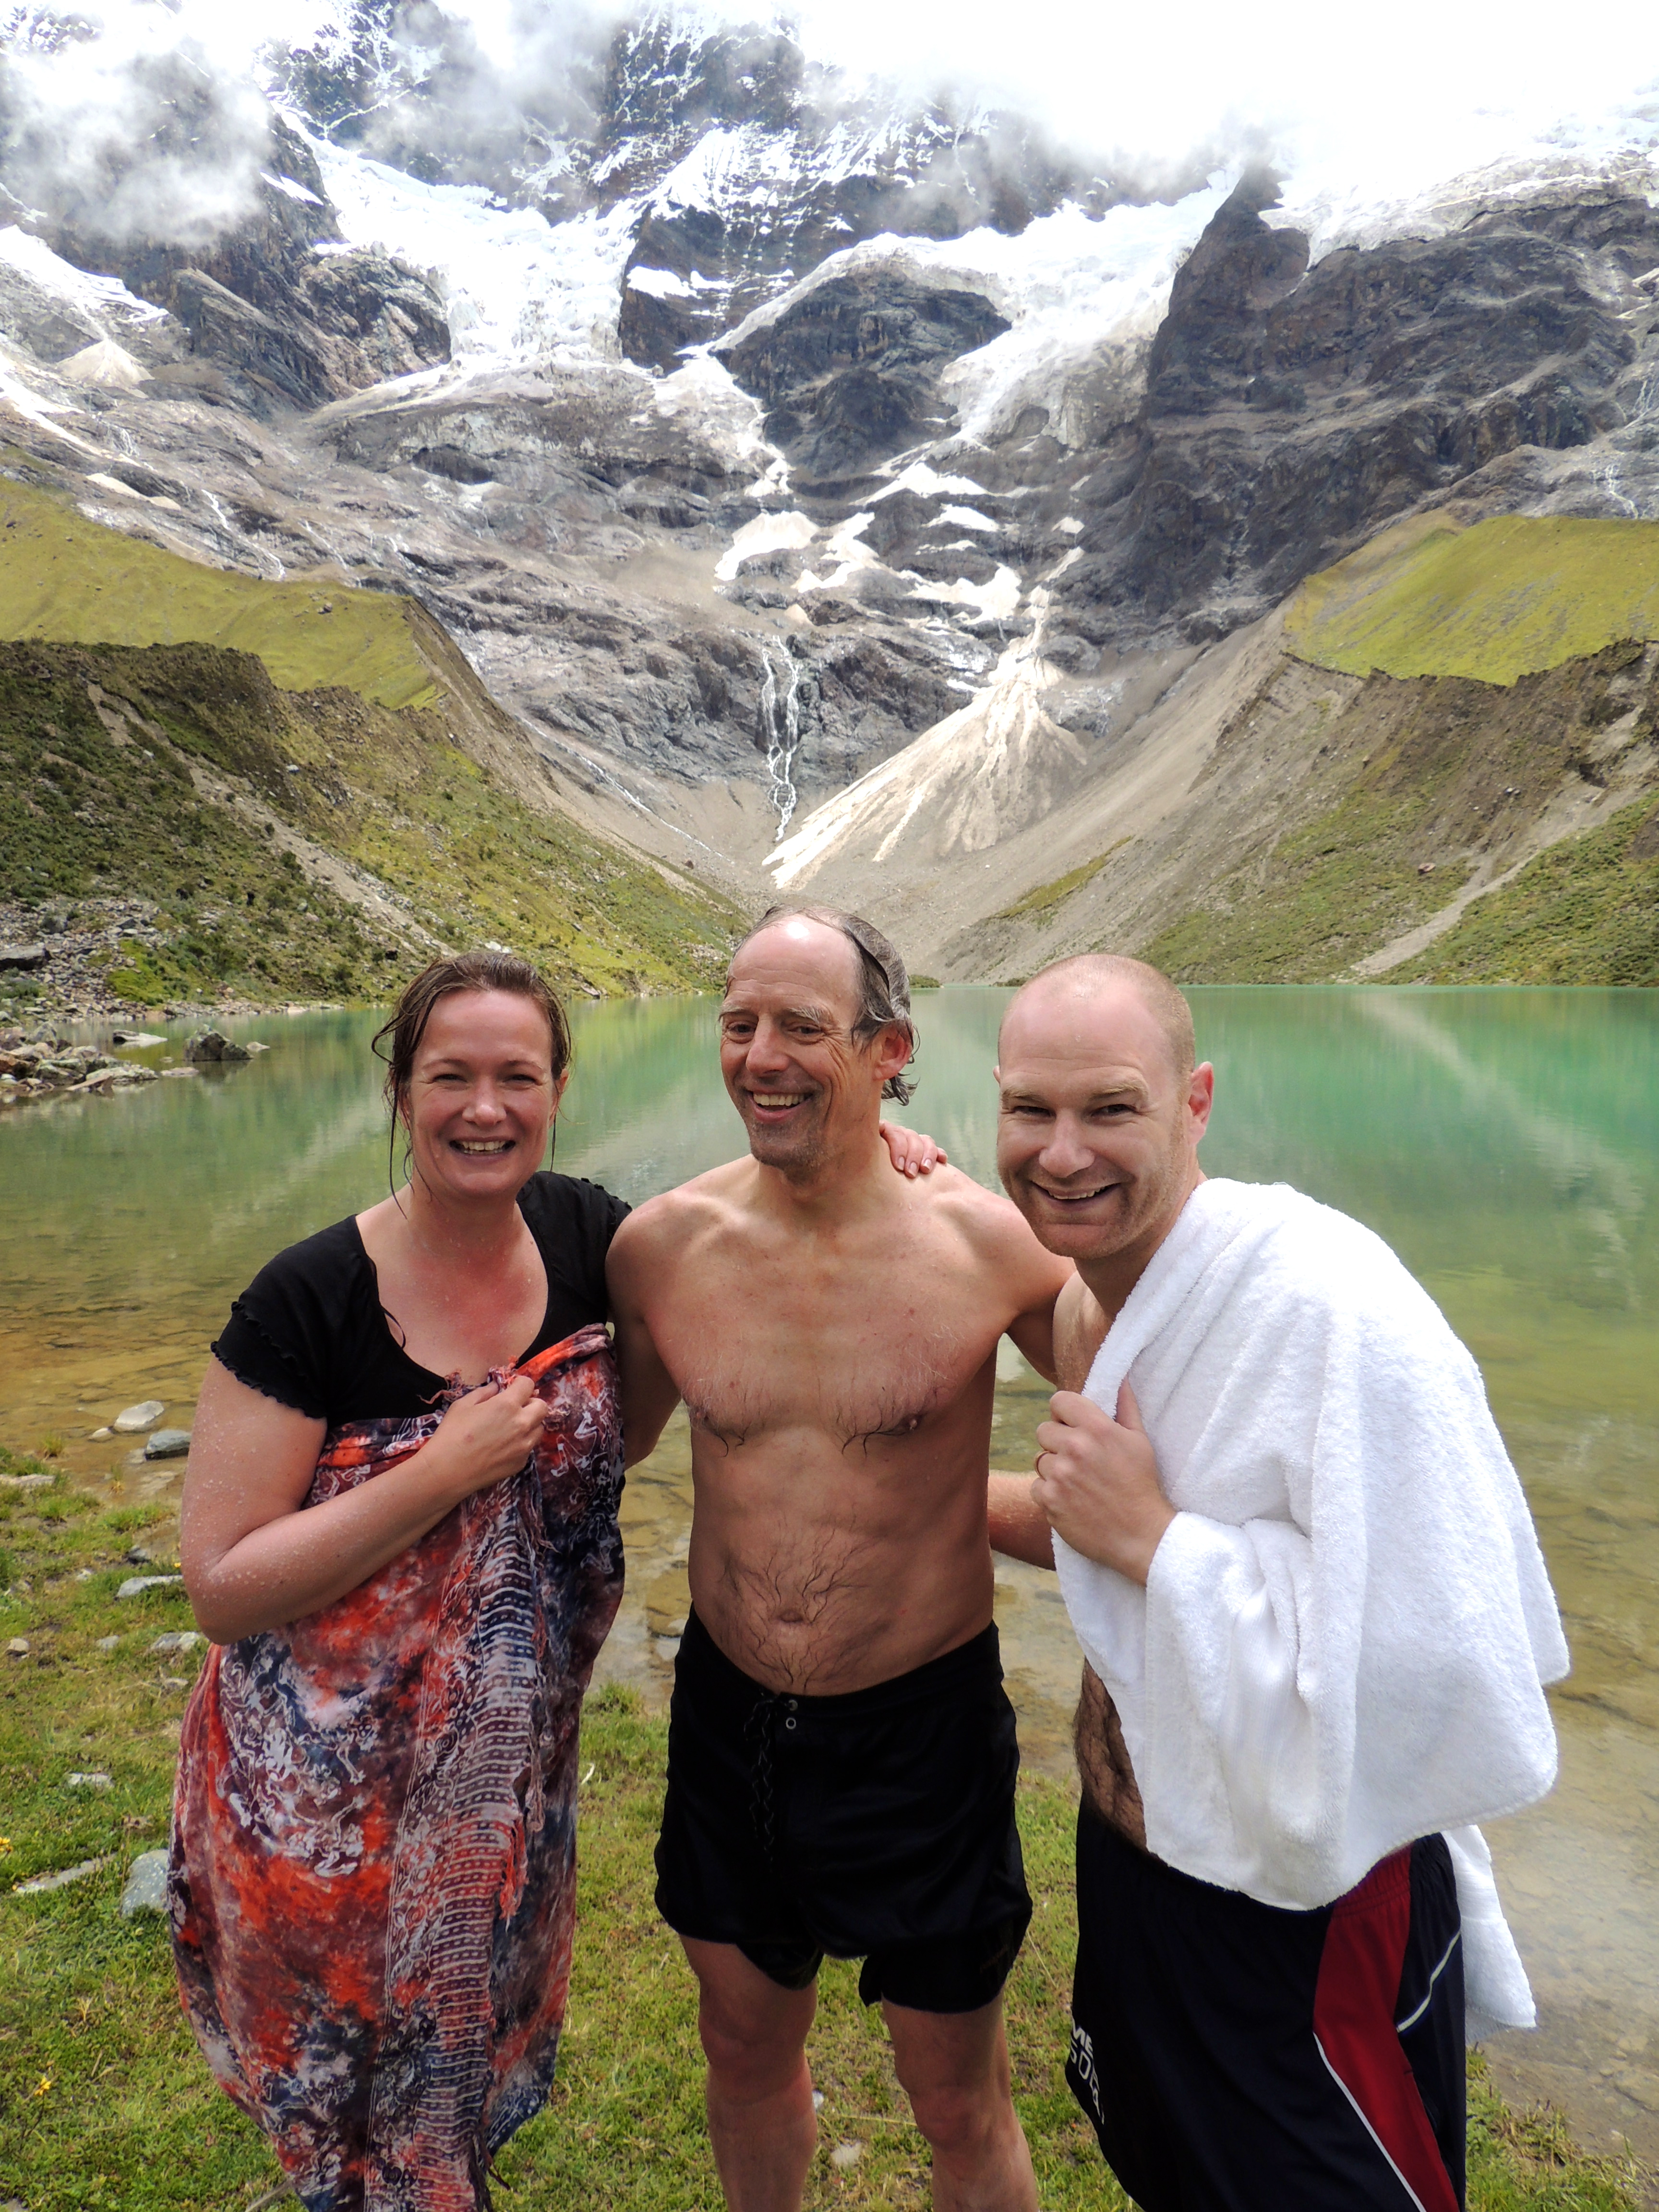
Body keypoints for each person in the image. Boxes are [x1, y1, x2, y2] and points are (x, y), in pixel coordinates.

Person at [171, 948, 940, 2211]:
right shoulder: (306, 1300)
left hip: (504, 1779)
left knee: (458, 2075)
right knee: (351, 2105)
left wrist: (881, 1149)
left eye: (517, 1077)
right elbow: (222, 1586)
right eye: (450, 1077)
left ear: (559, 1090)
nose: (485, 1108)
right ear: (401, 1090)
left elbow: (716, 1271)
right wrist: (439, 1472)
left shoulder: (589, 1238)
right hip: (324, 1804)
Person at [986, 952, 1570, 2212]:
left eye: (1111, 1108)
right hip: (1145, 1864)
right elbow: (1100, 1533)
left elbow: (1440, 1647)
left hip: (1312, 1908)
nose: (1062, 1152)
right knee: (1175, 2170)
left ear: (1195, 1102)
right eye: (1030, 1109)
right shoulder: (1099, 1303)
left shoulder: (1335, 1308)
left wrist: (1160, 1542)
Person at [606, 906, 1074, 2212]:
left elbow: (1160, 1427)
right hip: (730, 1723)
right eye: (739, 1023)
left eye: (803, 1028)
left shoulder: (990, 1247)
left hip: (922, 1735)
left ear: (889, 1050)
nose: (762, 1056)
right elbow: (604, 1442)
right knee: (743, 2049)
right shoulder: (661, 1249)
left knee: (956, 2099)